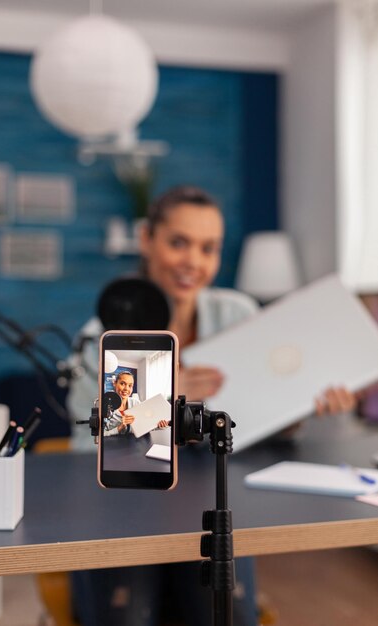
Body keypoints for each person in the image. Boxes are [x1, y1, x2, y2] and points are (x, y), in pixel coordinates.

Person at [67, 185, 353, 626]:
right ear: (147, 240)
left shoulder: (236, 312)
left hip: (216, 503)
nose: (193, 263)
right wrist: (161, 398)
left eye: (209, 248)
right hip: (126, 513)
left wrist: (300, 407)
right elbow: (87, 450)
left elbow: (259, 416)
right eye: (178, 243)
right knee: (130, 615)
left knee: (225, 614)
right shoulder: (103, 336)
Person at [104, 370, 168, 435]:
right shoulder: (106, 406)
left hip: (135, 443)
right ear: (114, 383)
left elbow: (145, 425)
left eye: (130, 385)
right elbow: (101, 435)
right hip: (113, 444)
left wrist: (159, 426)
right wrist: (120, 427)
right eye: (122, 383)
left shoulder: (135, 403)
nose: (126, 388)